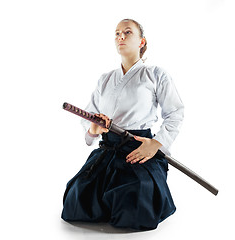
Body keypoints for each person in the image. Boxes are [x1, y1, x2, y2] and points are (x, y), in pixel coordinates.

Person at [61, 19, 184, 231]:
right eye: (117, 33)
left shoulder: (155, 75)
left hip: (138, 149)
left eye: (127, 32)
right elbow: (89, 119)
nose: (121, 37)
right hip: (109, 149)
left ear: (141, 41)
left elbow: (175, 112)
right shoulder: (105, 79)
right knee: (76, 199)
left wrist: (155, 144)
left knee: (135, 200)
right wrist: (95, 128)